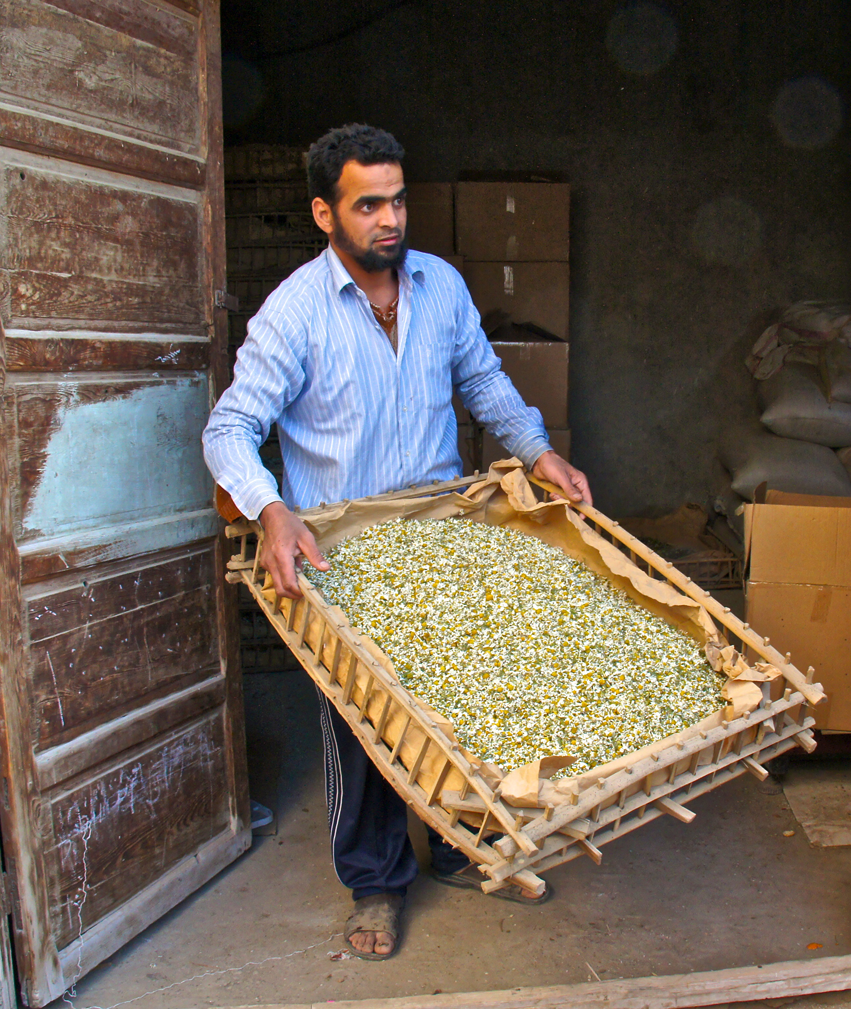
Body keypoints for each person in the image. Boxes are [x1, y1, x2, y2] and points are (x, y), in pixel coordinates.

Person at [202, 123, 591, 961]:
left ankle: (462, 844)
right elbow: (231, 427)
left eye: (398, 199)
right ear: (323, 212)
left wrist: (538, 449)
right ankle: (375, 881)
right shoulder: (295, 313)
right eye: (367, 203)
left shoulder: (440, 285)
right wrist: (272, 510)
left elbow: (482, 377)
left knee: (461, 700)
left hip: (441, 525)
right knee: (363, 721)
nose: (390, 219)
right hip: (340, 547)